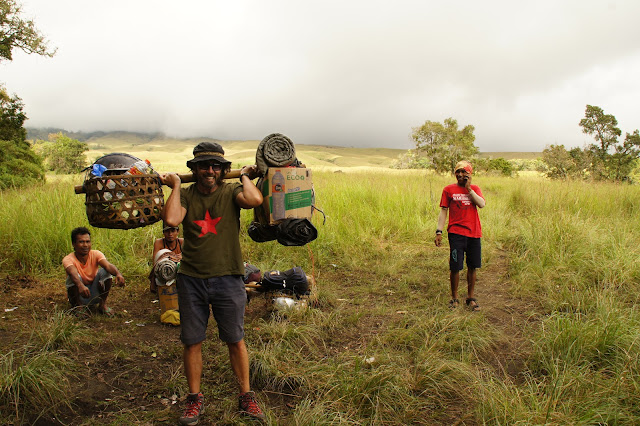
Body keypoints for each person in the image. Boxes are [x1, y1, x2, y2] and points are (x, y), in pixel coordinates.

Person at [160, 141, 265, 424]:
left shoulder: (232, 192)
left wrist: (244, 176)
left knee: (235, 339)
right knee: (192, 342)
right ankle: (194, 400)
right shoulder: (187, 195)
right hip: (191, 279)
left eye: (215, 166)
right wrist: (175, 186)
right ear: (194, 169)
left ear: (223, 170)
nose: (209, 170)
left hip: (228, 277)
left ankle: (246, 396)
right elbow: (171, 219)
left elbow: (255, 200)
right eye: (203, 166)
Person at [434, 160, 486, 312]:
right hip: (456, 233)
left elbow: (481, 204)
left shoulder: (475, 189)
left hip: (474, 233)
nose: (461, 174)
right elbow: (444, 211)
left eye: (464, 172)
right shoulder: (448, 190)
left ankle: (470, 297)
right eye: (458, 171)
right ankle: (454, 298)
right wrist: (439, 231)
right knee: (455, 266)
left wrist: (469, 189)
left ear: (470, 174)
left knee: (472, 266)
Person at [62, 227, 125, 316]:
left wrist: (118, 274)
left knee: (105, 272)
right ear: (74, 244)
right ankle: (79, 307)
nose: (85, 245)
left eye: (87, 241)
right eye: (81, 242)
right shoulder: (68, 259)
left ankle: (102, 305)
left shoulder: (96, 254)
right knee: (73, 277)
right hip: (79, 294)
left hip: (93, 292)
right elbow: (72, 272)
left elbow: (107, 265)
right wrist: (80, 285)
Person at [149, 223, 184, 293]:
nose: (170, 234)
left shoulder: (181, 242)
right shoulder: (159, 242)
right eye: (167, 231)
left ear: (177, 232)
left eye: (173, 231)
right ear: (163, 233)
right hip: (165, 273)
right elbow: (156, 262)